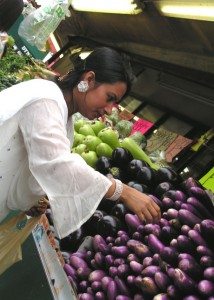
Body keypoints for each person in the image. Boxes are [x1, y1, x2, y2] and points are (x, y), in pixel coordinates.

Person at [0, 47, 161, 239]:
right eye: (110, 98)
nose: (110, 110)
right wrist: (123, 191)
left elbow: (36, 166)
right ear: (89, 79)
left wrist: (31, 200)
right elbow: (58, 164)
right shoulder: (46, 100)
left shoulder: (65, 120)